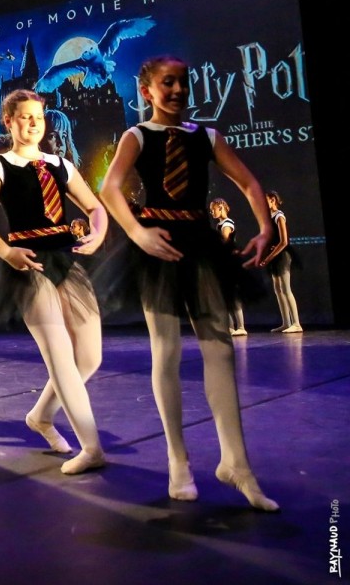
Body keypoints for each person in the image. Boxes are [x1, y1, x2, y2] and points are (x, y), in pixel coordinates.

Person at [98, 55, 279, 510]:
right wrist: (137, 232)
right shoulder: (138, 135)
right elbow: (110, 187)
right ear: (147, 91)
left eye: (183, 82)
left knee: (221, 348)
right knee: (167, 349)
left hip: (200, 243)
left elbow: (249, 183)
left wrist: (265, 228)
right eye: (168, 82)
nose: (178, 89)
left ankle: (236, 463)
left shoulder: (207, 136)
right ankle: (178, 460)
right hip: (158, 246)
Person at [0, 89, 108, 475]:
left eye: (39, 118)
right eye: (25, 117)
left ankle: (41, 416)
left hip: (65, 259)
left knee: (90, 356)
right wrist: (5, 251)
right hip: (28, 262)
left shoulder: (59, 164)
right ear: (9, 121)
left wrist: (97, 233)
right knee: (59, 353)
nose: (33, 124)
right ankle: (91, 447)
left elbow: (94, 206)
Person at [262, 190, 302, 334]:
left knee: (286, 288)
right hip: (274, 255)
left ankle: (296, 323)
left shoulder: (279, 216)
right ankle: (286, 322)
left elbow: (284, 241)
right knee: (278, 289)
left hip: (282, 255)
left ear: (273, 200)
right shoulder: (269, 217)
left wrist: (269, 257)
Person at [209, 198, 247, 336]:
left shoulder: (226, 224)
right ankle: (230, 326)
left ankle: (241, 326)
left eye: (213, 209)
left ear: (220, 207)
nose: (211, 212)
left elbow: (225, 242)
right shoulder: (220, 224)